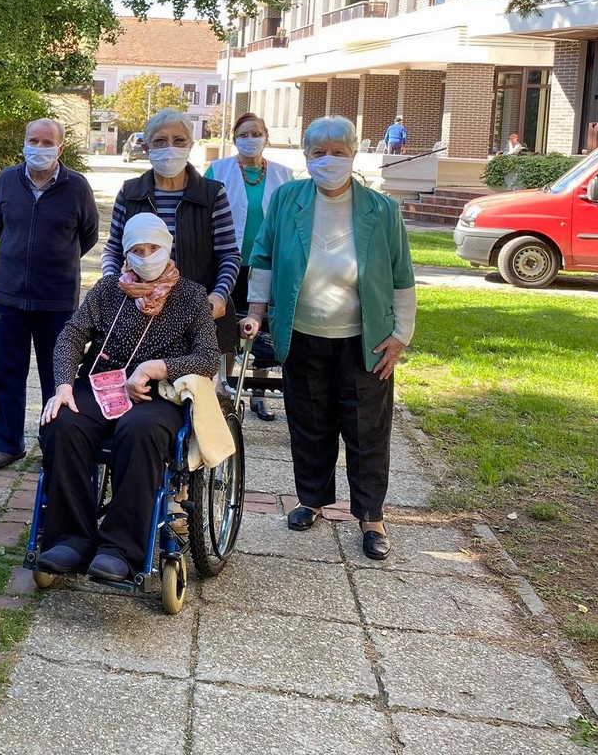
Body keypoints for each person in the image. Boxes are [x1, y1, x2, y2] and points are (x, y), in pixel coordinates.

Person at [239, 116, 416, 561]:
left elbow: (401, 275)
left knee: (367, 431)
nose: (328, 160)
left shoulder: (382, 209)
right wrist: (257, 312)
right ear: (305, 156)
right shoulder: (287, 198)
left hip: (365, 338)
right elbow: (262, 256)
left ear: (353, 154)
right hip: (302, 332)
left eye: (338, 151)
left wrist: (401, 335)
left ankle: (371, 517)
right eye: (319, 152)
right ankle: (312, 499)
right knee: (309, 422)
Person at [36, 214, 220, 582]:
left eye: (153, 248)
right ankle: (70, 539)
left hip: (157, 396)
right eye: (137, 250)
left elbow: (208, 357)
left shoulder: (192, 297)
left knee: (139, 434)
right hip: (104, 385)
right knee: (62, 424)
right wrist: (63, 386)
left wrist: (155, 367)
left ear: (167, 249)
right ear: (126, 253)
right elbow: (71, 336)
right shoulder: (107, 292)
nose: (146, 256)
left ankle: (120, 548)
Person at [0, 118, 100, 469]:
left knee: (58, 375)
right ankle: (9, 443)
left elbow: (89, 234)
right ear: (23, 143)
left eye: (47, 141)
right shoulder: (7, 180)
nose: (39, 147)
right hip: (10, 296)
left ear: (60, 147)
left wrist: (57, 262)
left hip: (57, 299)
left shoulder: (77, 186)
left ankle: (54, 442)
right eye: (33, 140)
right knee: (8, 373)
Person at [101, 108, 241, 352]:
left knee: (191, 387)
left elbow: (228, 255)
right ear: (146, 148)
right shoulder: (130, 192)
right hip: (140, 313)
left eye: (179, 141)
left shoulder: (212, 194)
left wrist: (218, 295)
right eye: (160, 141)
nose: (170, 147)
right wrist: (117, 285)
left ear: (190, 145)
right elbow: (113, 250)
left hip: (197, 313)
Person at [204, 111, 292, 421]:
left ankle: (258, 394)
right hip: (228, 263)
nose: (250, 139)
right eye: (244, 134)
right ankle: (223, 387)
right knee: (227, 326)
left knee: (262, 329)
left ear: (267, 136)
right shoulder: (218, 170)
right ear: (234, 138)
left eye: (256, 133)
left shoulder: (284, 174)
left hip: (266, 265)